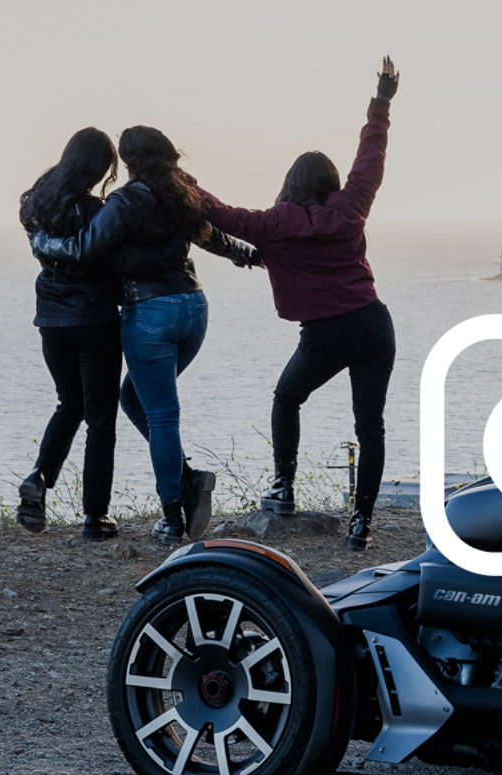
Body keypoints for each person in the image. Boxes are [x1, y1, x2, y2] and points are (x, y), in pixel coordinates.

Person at [195, 56, 400, 551]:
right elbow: (370, 158)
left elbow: (217, 212)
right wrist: (382, 102)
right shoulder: (351, 206)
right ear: (328, 182)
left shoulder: (273, 224)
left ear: (292, 183)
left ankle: (283, 488)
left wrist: (174, 177)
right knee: (369, 426)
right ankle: (361, 525)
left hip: (325, 333)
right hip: (373, 325)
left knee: (288, 397)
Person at [30, 126, 261, 545]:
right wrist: (244, 254)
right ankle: (189, 478)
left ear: (129, 162)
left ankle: (173, 516)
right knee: (133, 399)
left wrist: (43, 241)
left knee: (161, 414)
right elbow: (211, 237)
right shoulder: (180, 194)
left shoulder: (123, 202)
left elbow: (83, 249)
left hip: (150, 313)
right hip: (193, 308)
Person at [16, 127, 124, 542]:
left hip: (51, 321)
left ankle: (39, 477)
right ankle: (96, 519)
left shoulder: (39, 205)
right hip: (95, 321)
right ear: (98, 168)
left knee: (69, 404)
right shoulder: (98, 212)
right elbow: (111, 261)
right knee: (100, 421)